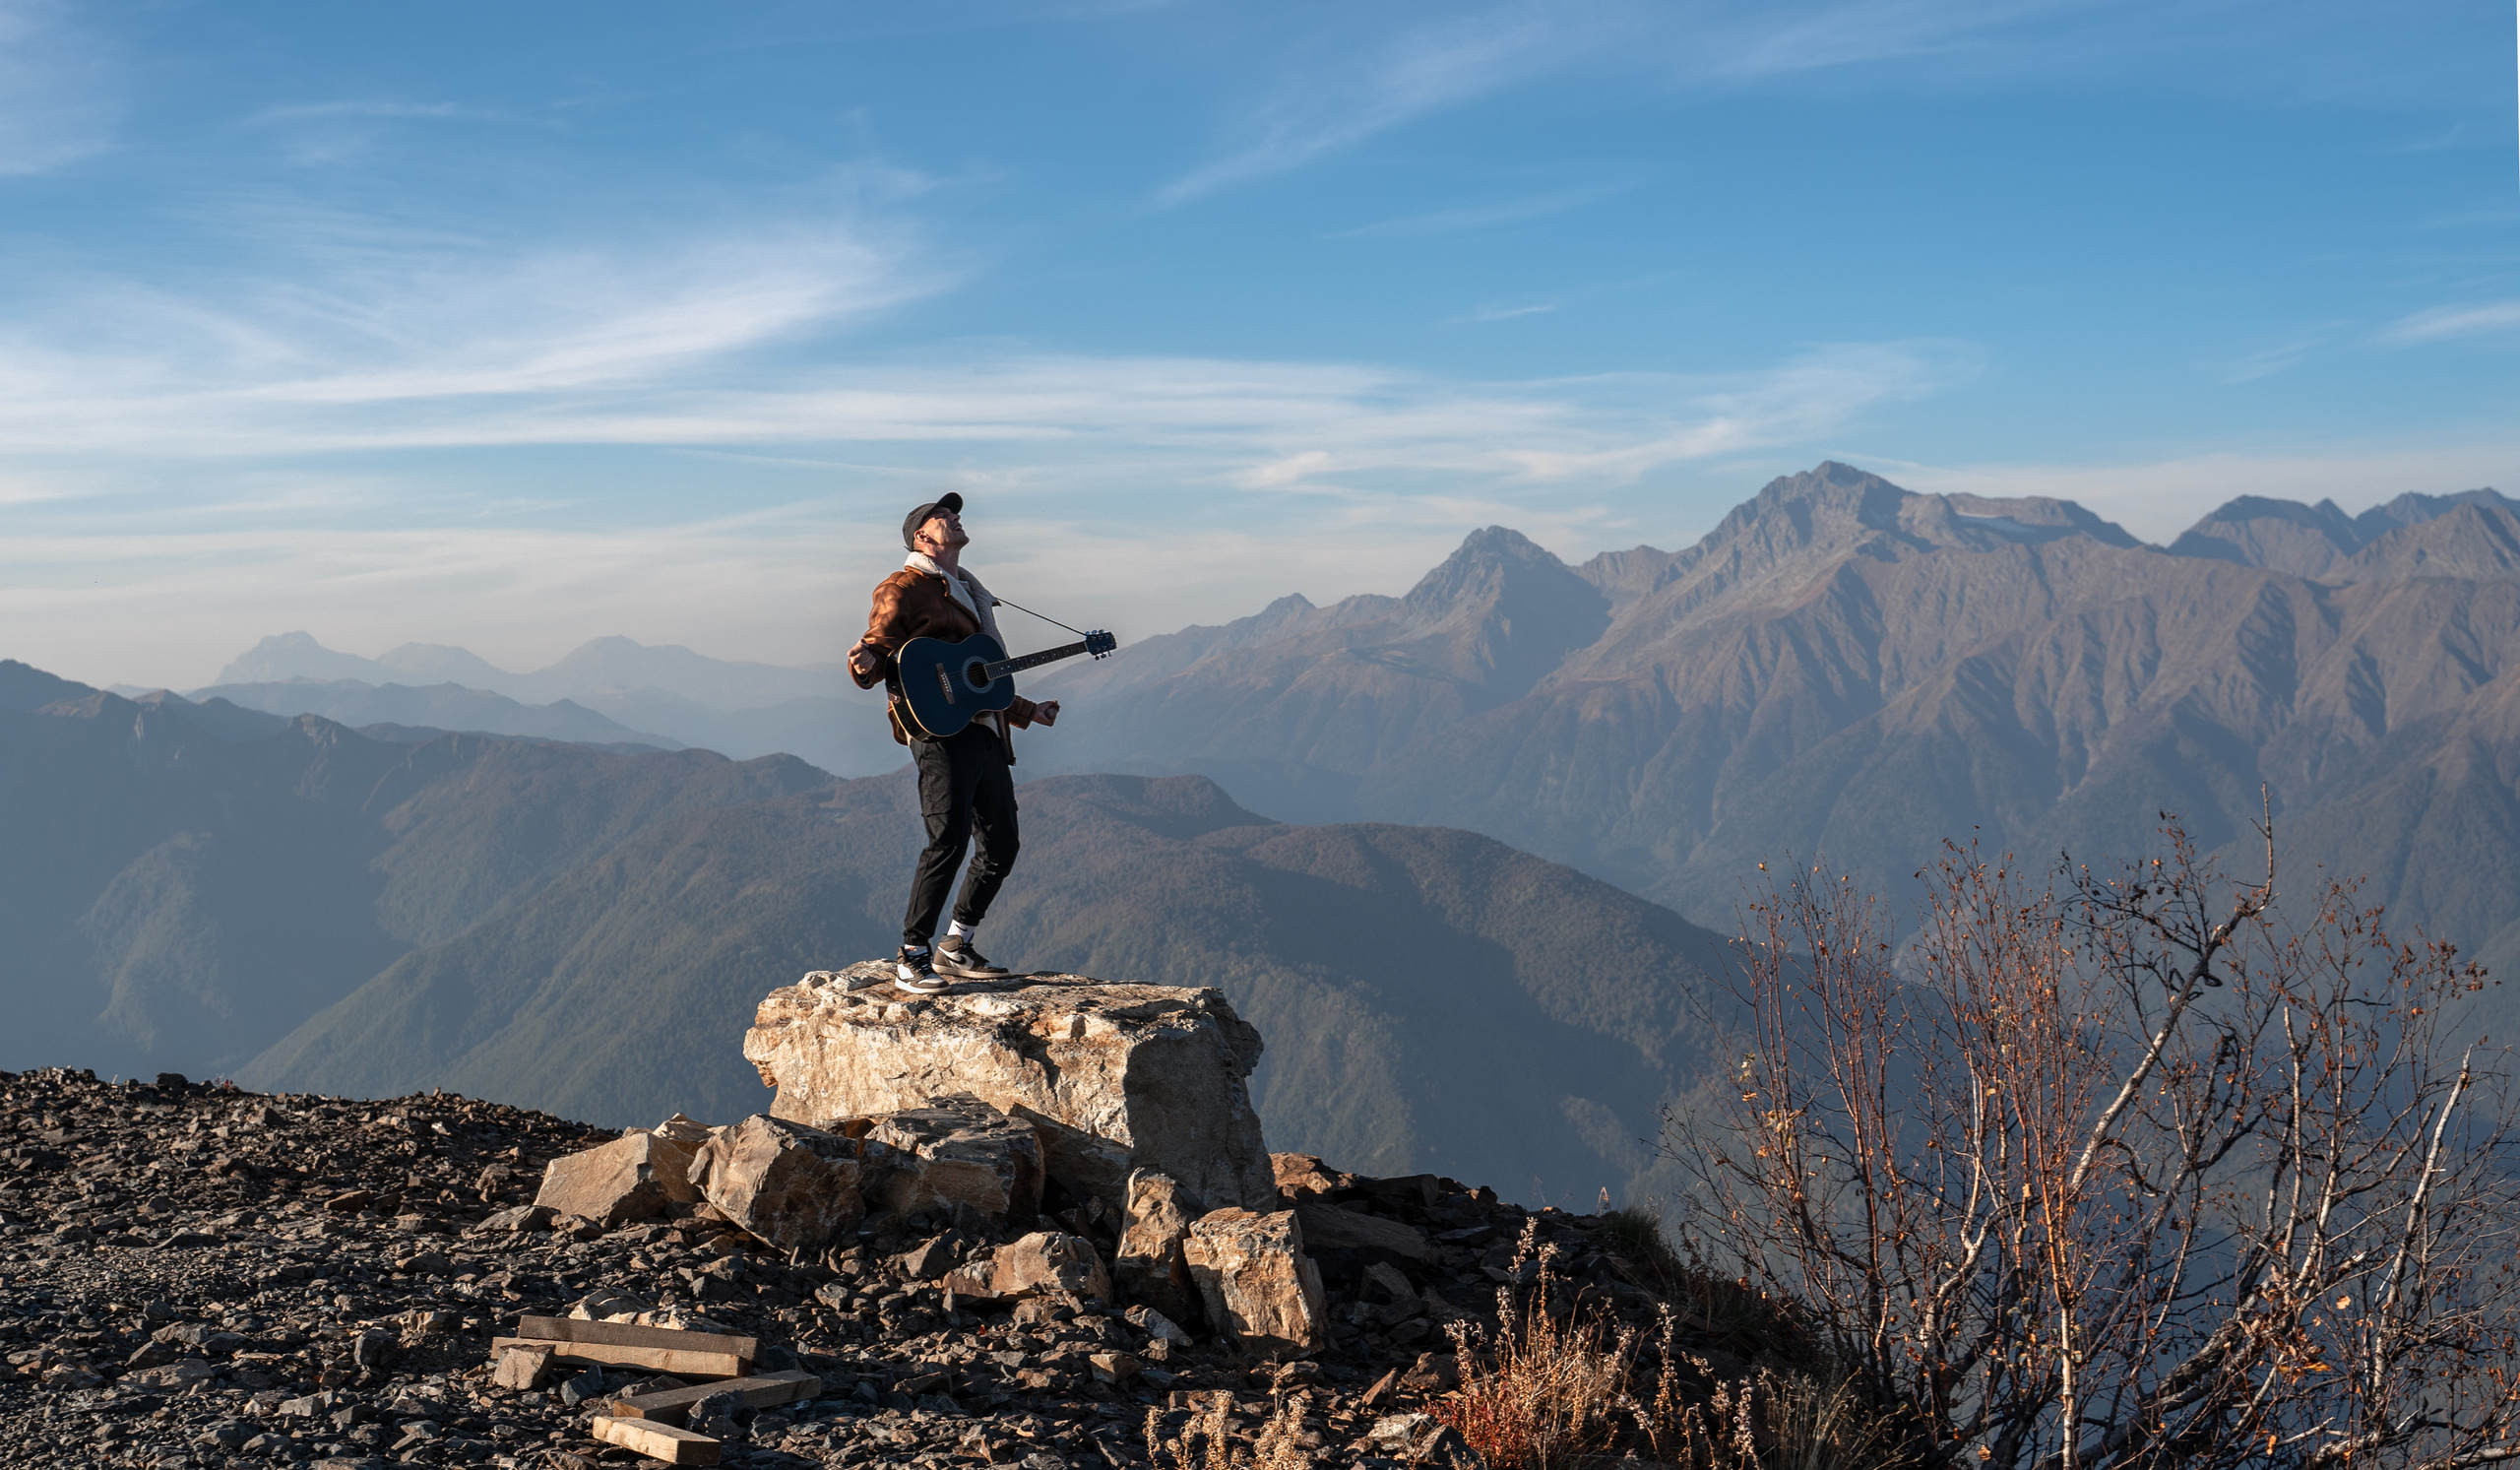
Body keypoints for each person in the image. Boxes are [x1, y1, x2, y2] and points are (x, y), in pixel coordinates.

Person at [848, 492, 1060, 993]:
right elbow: (877, 641)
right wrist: (865, 665)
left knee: (1002, 843)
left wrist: (1030, 711)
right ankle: (912, 954)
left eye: (953, 513)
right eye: (942, 516)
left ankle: (956, 942)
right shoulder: (905, 586)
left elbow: (975, 678)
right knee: (947, 840)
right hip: (938, 733)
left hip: (982, 730)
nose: (954, 517)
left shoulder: (967, 590)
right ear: (922, 536)